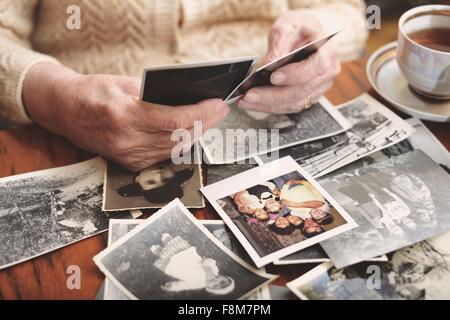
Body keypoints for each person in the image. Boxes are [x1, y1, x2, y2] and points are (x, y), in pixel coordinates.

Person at [0, 1, 368, 170]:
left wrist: (316, 32)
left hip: (269, 119)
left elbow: (349, 12)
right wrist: (56, 97)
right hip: (76, 138)